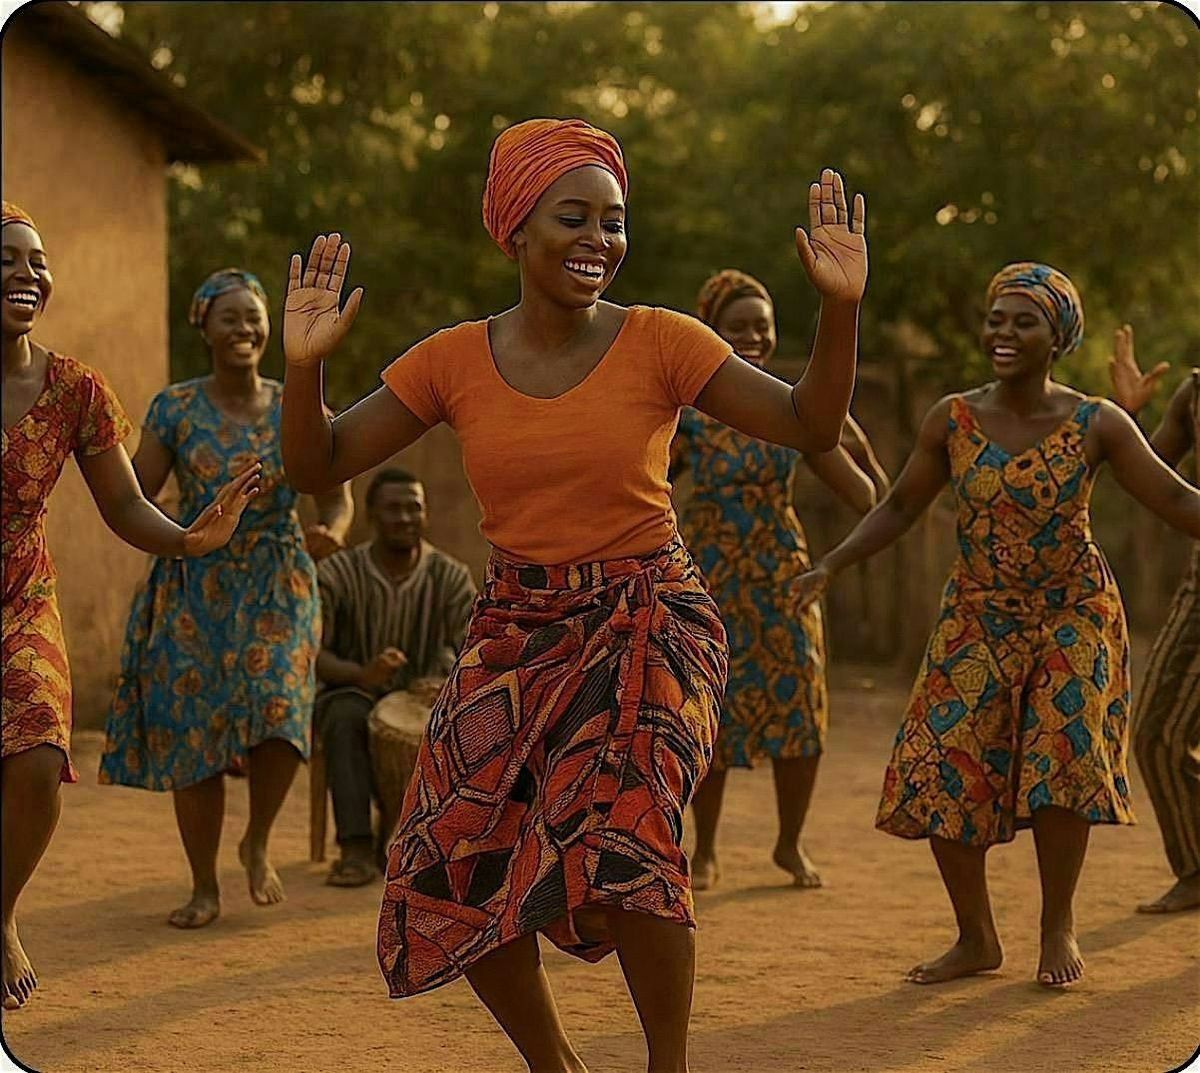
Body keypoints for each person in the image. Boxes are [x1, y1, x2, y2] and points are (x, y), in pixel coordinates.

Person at [279, 117, 867, 1073]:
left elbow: (808, 422)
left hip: (652, 614)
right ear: (515, 227)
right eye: (574, 217)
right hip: (517, 625)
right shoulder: (451, 360)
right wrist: (305, 368)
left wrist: (839, 307)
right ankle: (555, 1064)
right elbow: (318, 464)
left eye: (615, 221)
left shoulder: (663, 342)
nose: (601, 239)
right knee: (446, 859)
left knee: (629, 841)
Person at [794, 262, 1200, 988]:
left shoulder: (1097, 422)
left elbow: (1173, 498)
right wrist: (834, 562)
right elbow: (896, 506)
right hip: (978, 609)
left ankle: (1057, 924)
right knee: (942, 756)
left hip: (1072, 610)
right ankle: (976, 936)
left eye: (1024, 322)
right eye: (998, 319)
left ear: (1059, 338)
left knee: (1062, 755)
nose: (1003, 334)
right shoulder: (952, 418)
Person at [1, 204, 260, 1009]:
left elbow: (122, 503)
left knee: (40, 758)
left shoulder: (74, 387)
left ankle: (0, 917)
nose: (29, 274)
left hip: (20, 595)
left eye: (38, 261)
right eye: (8, 259)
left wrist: (185, 538)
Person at [98, 268, 353, 930]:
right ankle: (204, 883)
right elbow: (136, 491)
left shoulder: (296, 401)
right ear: (204, 327)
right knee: (196, 735)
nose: (245, 328)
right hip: (196, 580)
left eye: (255, 316)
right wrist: (187, 533)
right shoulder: (175, 408)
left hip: (279, 575)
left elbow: (336, 488)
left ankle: (258, 839)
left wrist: (335, 530)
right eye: (230, 317)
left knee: (282, 709)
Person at [670, 268, 888, 891]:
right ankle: (704, 849)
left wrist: (851, 437)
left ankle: (789, 845)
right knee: (710, 715)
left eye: (761, 327)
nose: (752, 338)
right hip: (709, 579)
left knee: (803, 711)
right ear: (711, 332)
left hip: (783, 578)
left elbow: (866, 494)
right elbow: (646, 479)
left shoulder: (792, 410)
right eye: (736, 328)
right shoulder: (693, 416)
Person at [316, 466, 477, 887]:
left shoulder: (451, 576)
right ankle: (355, 849)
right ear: (370, 514)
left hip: (426, 699)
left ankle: (430, 847)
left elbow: (474, 650)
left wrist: (445, 683)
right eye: (393, 509)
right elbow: (313, 653)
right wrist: (361, 674)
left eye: (413, 509)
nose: (405, 518)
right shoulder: (337, 574)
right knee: (344, 716)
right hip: (353, 691)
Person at [1108, 327, 1200, 914]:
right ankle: (1195, 868)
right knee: (1155, 736)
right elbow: (1143, 473)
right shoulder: (1193, 395)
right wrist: (1123, 417)